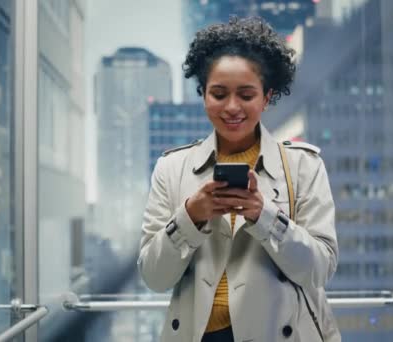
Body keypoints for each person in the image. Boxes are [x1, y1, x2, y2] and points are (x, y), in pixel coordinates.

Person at [138, 16, 340, 342]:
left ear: (267, 97)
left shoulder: (304, 166)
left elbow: (318, 270)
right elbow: (154, 277)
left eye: (246, 95)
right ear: (203, 94)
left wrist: (265, 216)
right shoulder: (172, 169)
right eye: (219, 94)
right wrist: (190, 216)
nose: (232, 107)